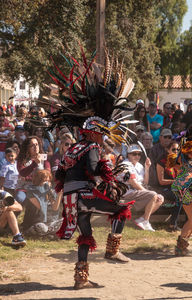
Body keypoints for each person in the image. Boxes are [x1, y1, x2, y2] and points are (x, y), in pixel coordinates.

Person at [47, 48, 136, 289]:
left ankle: (80, 279)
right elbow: (96, 170)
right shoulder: (91, 148)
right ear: (95, 132)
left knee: (85, 236)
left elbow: (61, 174)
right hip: (84, 195)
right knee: (121, 210)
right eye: (102, 134)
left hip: (71, 199)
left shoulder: (73, 148)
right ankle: (112, 250)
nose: (103, 138)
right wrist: (111, 171)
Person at [168, 123, 192, 255]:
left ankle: (180, 248)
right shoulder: (189, 146)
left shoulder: (186, 146)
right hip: (187, 188)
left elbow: (176, 165)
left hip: (187, 188)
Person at [119, 144, 164, 231]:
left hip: (137, 191)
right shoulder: (125, 164)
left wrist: (147, 168)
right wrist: (148, 192)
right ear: (128, 155)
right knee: (153, 195)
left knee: (160, 198)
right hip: (127, 191)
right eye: (134, 154)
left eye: (139, 154)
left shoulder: (139, 165)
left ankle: (142, 219)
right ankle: (146, 221)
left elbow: (145, 182)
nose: (137, 156)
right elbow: (133, 183)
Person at [22, 169, 62, 236]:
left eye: (48, 181)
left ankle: (49, 232)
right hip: (37, 222)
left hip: (51, 222)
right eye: (44, 181)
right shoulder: (31, 191)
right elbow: (41, 207)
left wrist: (59, 194)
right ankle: (51, 233)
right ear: (38, 181)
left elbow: (55, 208)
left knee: (65, 221)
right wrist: (46, 190)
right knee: (41, 227)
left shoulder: (50, 192)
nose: (47, 183)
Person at [16, 136, 51, 205]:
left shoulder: (44, 158)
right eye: (32, 145)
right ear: (27, 148)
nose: (35, 147)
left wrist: (39, 165)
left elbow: (47, 174)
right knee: (19, 198)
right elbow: (23, 173)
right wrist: (35, 164)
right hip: (24, 187)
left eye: (37, 144)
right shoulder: (22, 159)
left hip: (39, 187)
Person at [156, 141, 181, 231]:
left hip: (176, 188)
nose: (176, 151)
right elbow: (161, 181)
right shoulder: (161, 161)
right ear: (167, 150)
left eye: (178, 149)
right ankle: (172, 225)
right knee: (180, 196)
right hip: (164, 189)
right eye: (173, 149)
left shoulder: (179, 161)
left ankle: (189, 222)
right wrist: (175, 181)